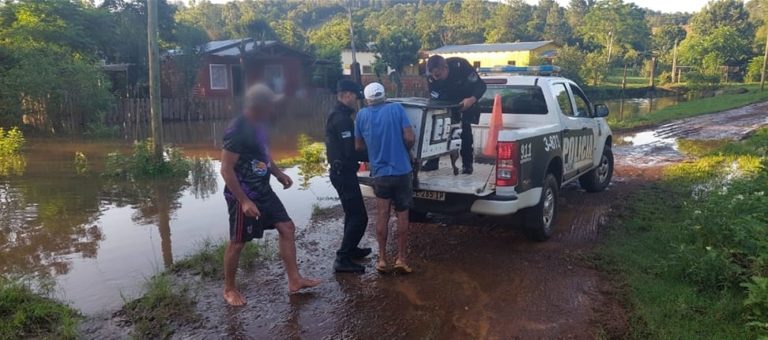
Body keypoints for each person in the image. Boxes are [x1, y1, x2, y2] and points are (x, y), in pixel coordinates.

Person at [220, 83, 320, 306]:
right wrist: (244, 200)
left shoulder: (260, 124)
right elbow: (226, 169)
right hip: (243, 194)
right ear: (258, 106)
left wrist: (277, 172)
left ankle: (295, 280)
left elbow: (263, 154)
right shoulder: (237, 130)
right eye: (271, 105)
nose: (274, 110)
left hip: (264, 191)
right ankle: (229, 289)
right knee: (237, 243)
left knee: (287, 227)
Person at [354, 82, 416, 274]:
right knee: (402, 215)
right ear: (384, 96)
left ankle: (381, 259)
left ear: (367, 99)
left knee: (382, 215)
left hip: (380, 173)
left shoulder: (361, 115)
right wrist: (405, 152)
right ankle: (401, 259)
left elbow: (358, 146)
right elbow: (409, 137)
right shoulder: (396, 109)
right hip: (402, 171)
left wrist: (374, 151)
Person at [325, 79, 372, 273]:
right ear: (346, 94)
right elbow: (350, 152)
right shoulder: (342, 119)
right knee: (360, 217)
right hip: (343, 173)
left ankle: (351, 250)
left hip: (342, 172)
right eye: (354, 96)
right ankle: (342, 258)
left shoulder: (338, 114)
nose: (355, 100)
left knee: (352, 214)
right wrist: (375, 155)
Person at [423, 55, 487, 174]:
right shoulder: (431, 77)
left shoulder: (460, 66)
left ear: (445, 68)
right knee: (437, 130)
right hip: (446, 103)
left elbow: (481, 86)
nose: (435, 78)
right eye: (432, 75)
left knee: (465, 132)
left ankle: (467, 165)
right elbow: (434, 97)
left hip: (466, 101)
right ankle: (432, 161)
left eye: (437, 75)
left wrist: (471, 99)